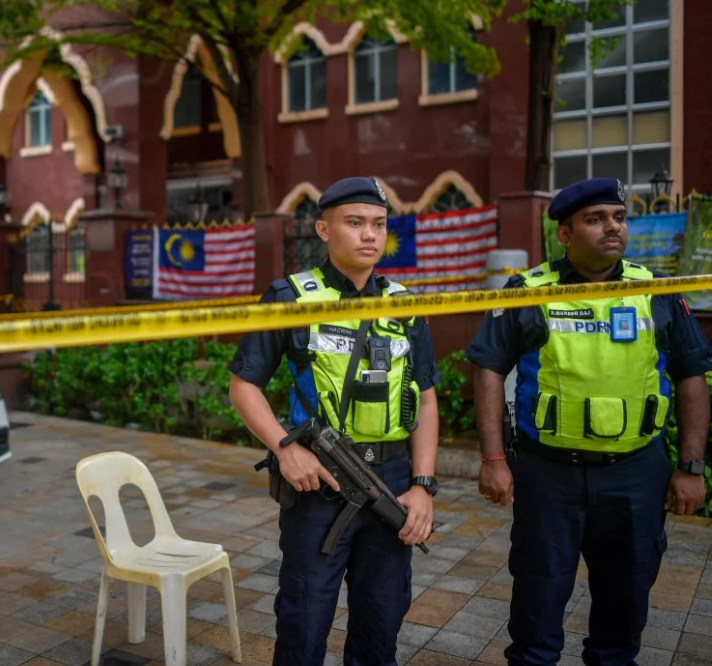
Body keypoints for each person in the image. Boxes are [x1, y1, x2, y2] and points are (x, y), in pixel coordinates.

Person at [465, 177, 711, 666]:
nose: (611, 228)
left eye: (618, 218)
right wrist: (493, 458)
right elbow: (488, 368)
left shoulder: (657, 291)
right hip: (548, 474)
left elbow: (690, 377)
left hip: (635, 474)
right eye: (595, 219)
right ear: (565, 234)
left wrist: (691, 465)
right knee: (536, 612)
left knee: (624, 612)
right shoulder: (527, 292)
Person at [228, 176, 441, 666]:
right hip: (320, 484)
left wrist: (423, 485)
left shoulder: (405, 306)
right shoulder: (290, 299)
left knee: (381, 625)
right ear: (324, 230)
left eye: (379, 225)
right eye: (355, 223)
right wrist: (285, 448)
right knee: (304, 624)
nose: (370, 235)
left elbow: (426, 400)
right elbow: (244, 385)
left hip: (389, 482)